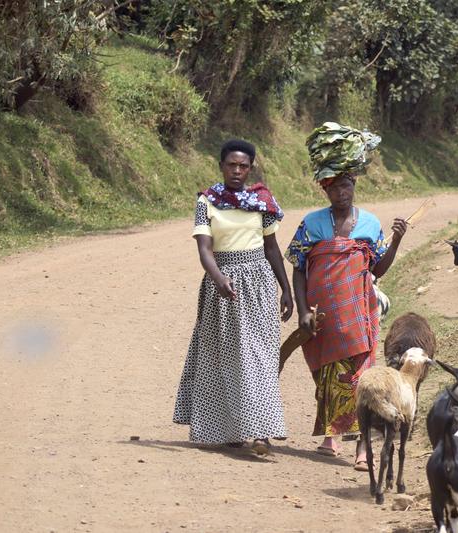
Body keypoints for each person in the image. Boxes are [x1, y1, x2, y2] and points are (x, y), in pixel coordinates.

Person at [286, 125, 407, 471]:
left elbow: (378, 270)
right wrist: (301, 310)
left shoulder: (369, 224)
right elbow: (298, 267)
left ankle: (363, 449)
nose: (343, 192)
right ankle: (331, 437)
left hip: (358, 316)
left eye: (348, 185)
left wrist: (396, 241)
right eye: (336, 186)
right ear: (326, 189)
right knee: (329, 376)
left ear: (355, 186)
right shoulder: (311, 225)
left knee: (361, 378)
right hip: (322, 317)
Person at [173, 139, 293, 456]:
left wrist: (286, 289)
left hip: (259, 285)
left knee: (259, 359)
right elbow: (204, 249)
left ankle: (261, 433)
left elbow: (271, 249)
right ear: (221, 165)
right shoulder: (207, 202)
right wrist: (219, 278)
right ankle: (229, 430)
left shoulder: (262, 201)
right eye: (231, 165)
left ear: (250, 167)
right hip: (221, 287)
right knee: (223, 358)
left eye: (243, 166)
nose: (237, 170)